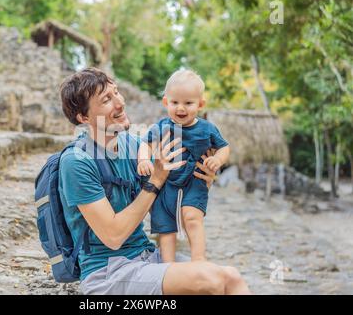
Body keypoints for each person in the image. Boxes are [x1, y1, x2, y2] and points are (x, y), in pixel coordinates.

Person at [59, 67, 251, 295]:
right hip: (108, 272)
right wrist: (155, 180)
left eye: (116, 92)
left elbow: (173, 189)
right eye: (106, 100)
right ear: (84, 117)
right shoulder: (77, 161)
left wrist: (203, 179)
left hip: (146, 256)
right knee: (209, 280)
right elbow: (113, 236)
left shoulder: (133, 145)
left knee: (232, 278)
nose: (120, 103)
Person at [137, 69, 230, 262]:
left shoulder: (207, 129)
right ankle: (168, 266)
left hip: (194, 181)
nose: (181, 108)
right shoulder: (161, 127)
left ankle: (199, 260)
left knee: (191, 217)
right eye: (175, 102)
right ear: (166, 103)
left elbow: (224, 147)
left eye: (188, 103)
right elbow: (146, 144)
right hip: (166, 185)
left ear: (200, 104)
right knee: (166, 228)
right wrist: (144, 160)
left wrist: (218, 160)